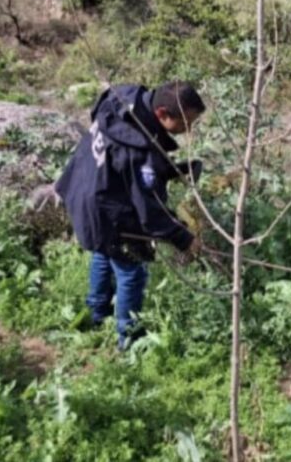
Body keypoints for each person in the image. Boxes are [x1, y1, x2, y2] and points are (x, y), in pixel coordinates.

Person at [55, 81, 205, 350]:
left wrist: (172, 169)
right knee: (131, 269)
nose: (189, 129)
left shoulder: (124, 97)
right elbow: (150, 213)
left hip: (83, 184)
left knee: (104, 252)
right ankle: (129, 339)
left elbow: (123, 161)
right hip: (104, 207)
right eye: (186, 122)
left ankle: (96, 314)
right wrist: (185, 239)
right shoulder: (138, 149)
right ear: (162, 113)